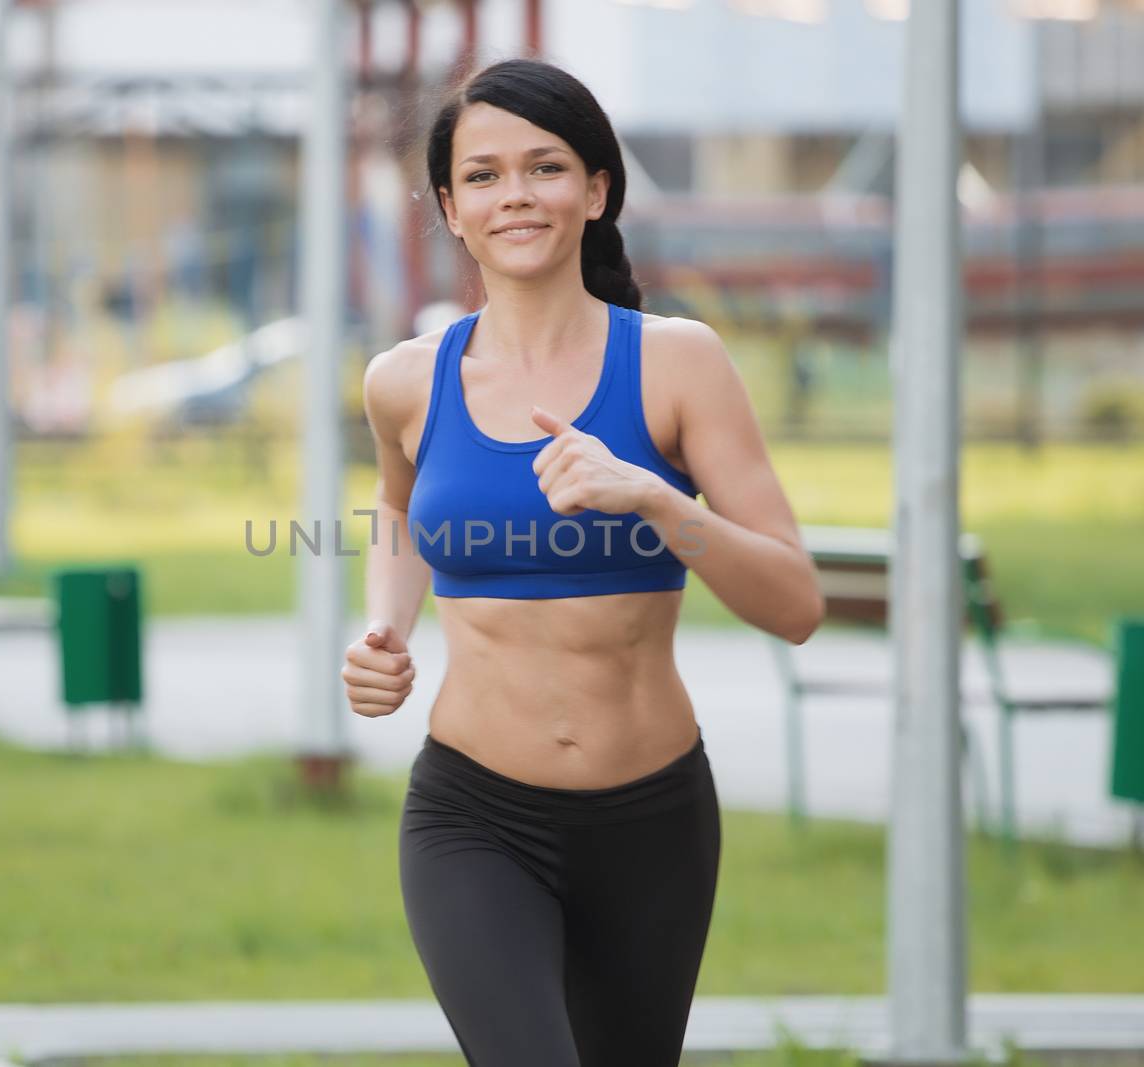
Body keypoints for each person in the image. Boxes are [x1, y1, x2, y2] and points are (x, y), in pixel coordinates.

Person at [344, 57, 824, 1067]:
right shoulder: (402, 381)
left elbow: (794, 601)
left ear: (596, 189)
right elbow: (395, 509)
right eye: (482, 175)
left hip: (651, 820)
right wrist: (382, 623)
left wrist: (652, 496)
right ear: (449, 207)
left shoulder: (677, 362)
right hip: (472, 815)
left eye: (544, 166)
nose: (513, 195)